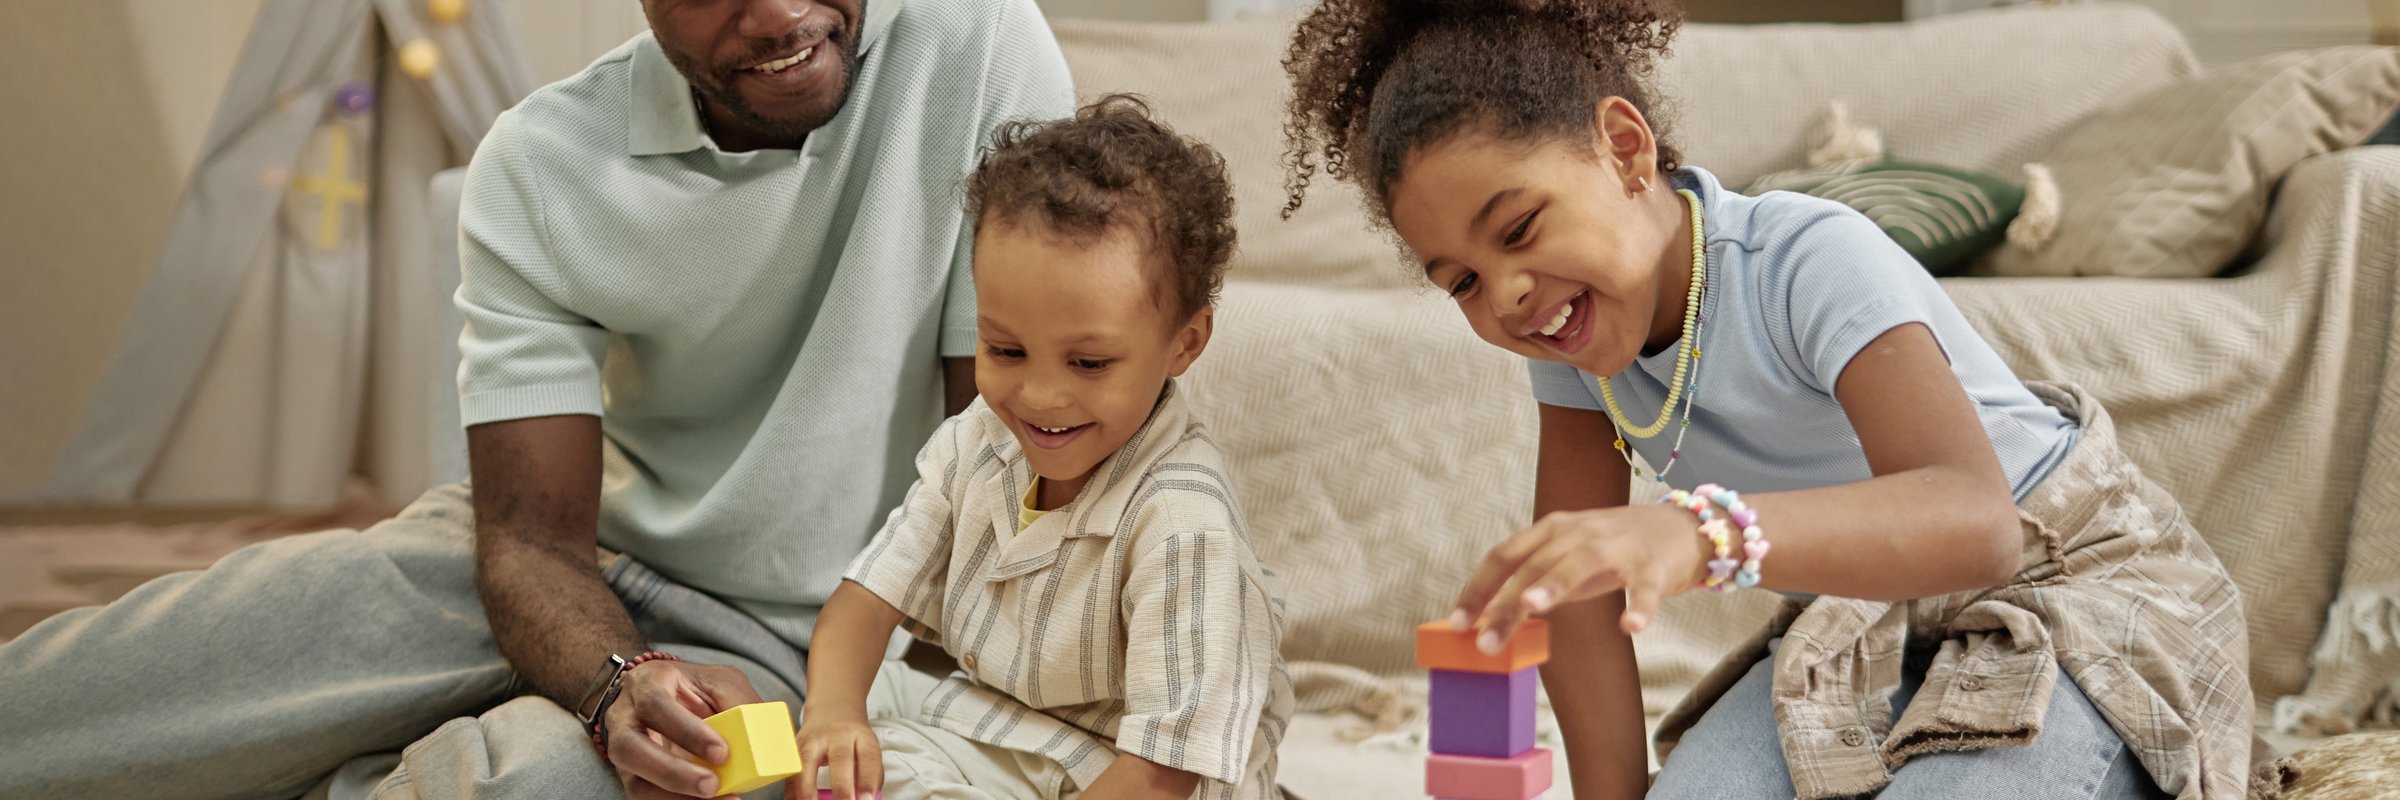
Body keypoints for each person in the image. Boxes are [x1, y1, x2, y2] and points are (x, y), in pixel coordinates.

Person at [0, 1, 1072, 797]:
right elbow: (526, 537)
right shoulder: (544, 163)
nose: (786, 15)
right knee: (167, 665)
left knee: (515, 782)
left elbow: (993, 483)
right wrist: (616, 679)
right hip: (570, 563)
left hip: (815, 643)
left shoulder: (977, 49)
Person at [1277, 1, 2258, 798]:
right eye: (1459, 281)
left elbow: (1975, 520)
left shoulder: (1802, 256)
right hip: (1869, 619)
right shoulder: (1572, 342)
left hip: (2068, 586)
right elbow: (1580, 594)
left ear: (1624, 150)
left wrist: (1695, 535)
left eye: (1521, 226)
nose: (1508, 295)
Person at [795, 94, 1291, 800]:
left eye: (1088, 364)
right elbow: (862, 605)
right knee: (810, 731)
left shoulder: (1182, 527)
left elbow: (1164, 773)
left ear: (1185, 343)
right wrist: (834, 718)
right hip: (1004, 727)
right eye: (1005, 349)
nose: (1039, 396)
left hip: (1134, 776)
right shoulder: (980, 441)